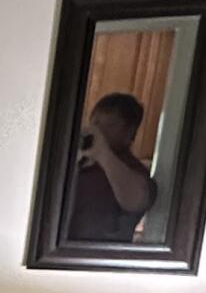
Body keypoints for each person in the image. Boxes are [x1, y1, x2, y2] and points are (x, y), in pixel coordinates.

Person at [68, 90, 158, 242]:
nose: (100, 130)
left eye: (111, 124)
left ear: (130, 132)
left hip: (102, 259)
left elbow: (136, 202)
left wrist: (103, 153)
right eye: (96, 122)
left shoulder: (134, 172)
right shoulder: (78, 163)